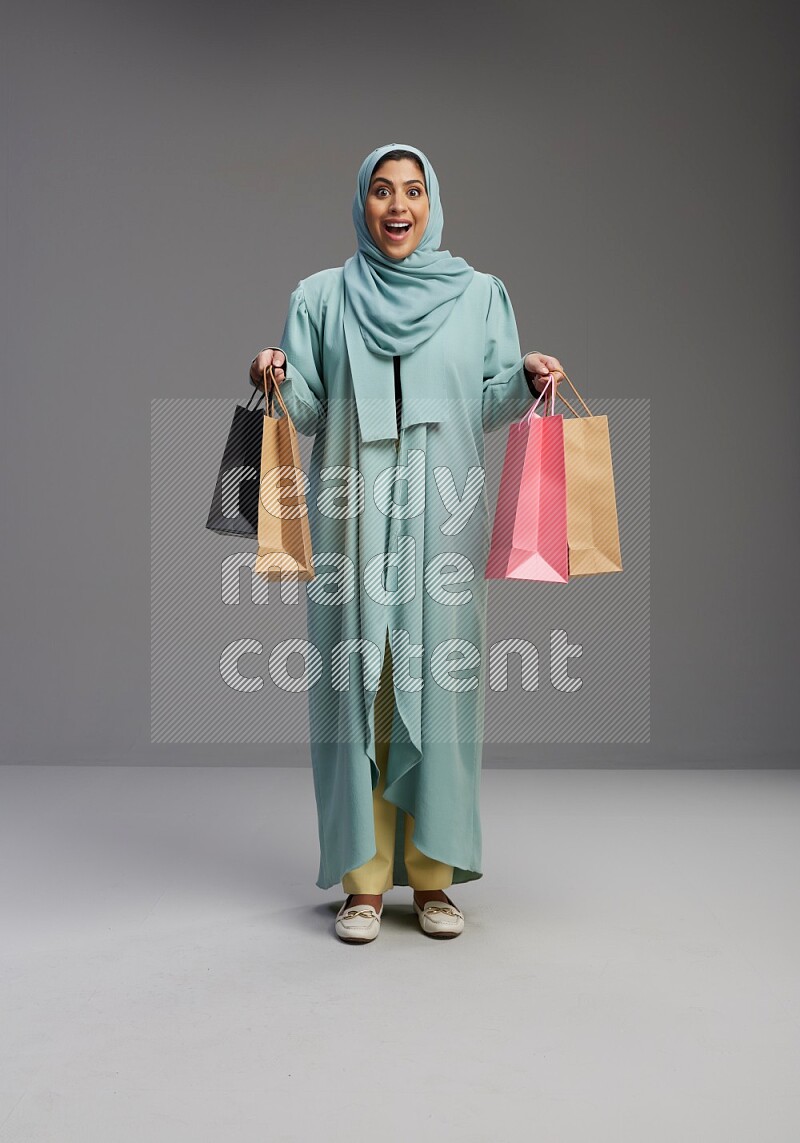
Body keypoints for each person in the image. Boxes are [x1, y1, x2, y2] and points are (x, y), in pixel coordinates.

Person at [249, 142, 563, 943]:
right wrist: (276, 377)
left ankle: (432, 877)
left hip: (442, 517)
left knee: (440, 687)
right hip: (352, 511)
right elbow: (313, 410)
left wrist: (525, 379)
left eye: (413, 191)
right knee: (358, 683)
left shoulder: (481, 296)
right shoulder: (321, 297)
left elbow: (489, 400)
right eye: (383, 191)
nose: (397, 206)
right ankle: (362, 880)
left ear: (432, 203)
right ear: (362, 203)